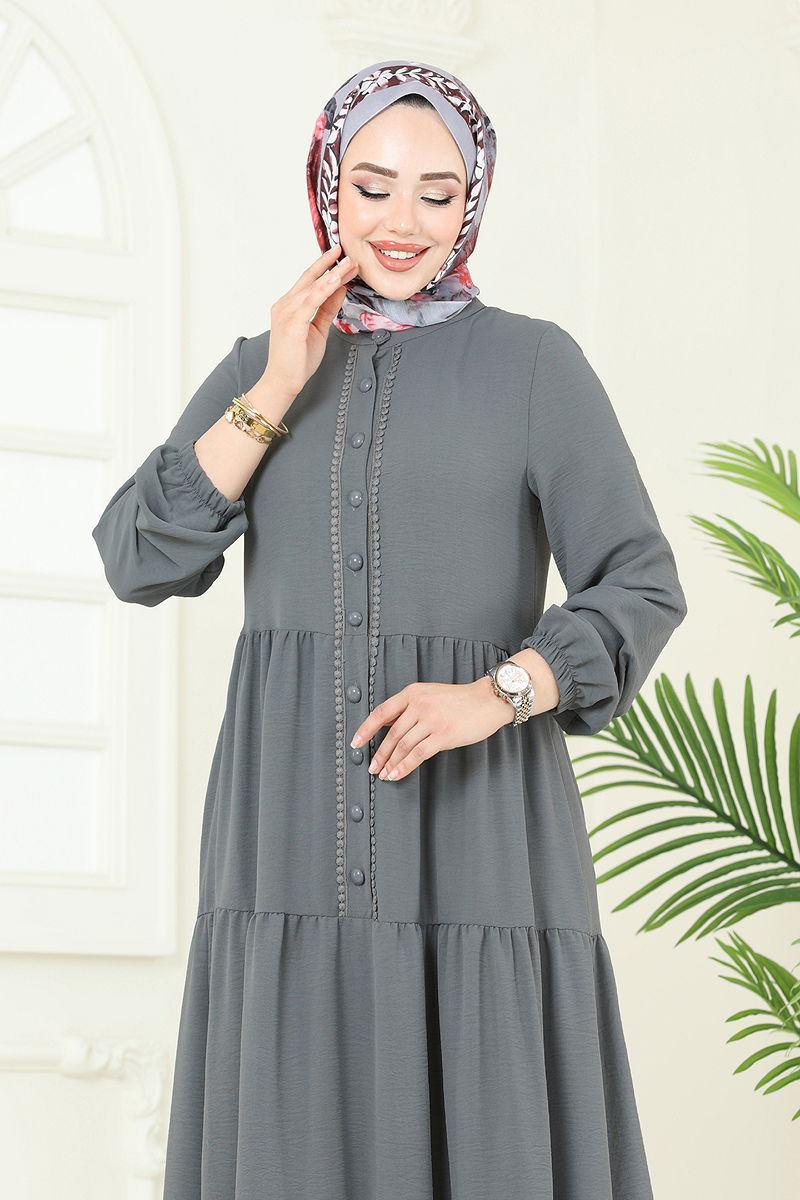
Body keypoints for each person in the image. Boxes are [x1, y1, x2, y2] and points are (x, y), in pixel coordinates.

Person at [92, 59, 687, 1200]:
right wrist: (280, 381)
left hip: (482, 839)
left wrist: (496, 694)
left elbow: (639, 581)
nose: (402, 221)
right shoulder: (261, 369)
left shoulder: (534, 365)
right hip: (285, 832)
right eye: (370, 187)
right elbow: (139, 558)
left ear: (474, 200)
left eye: (435, 191)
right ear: (328, 188)